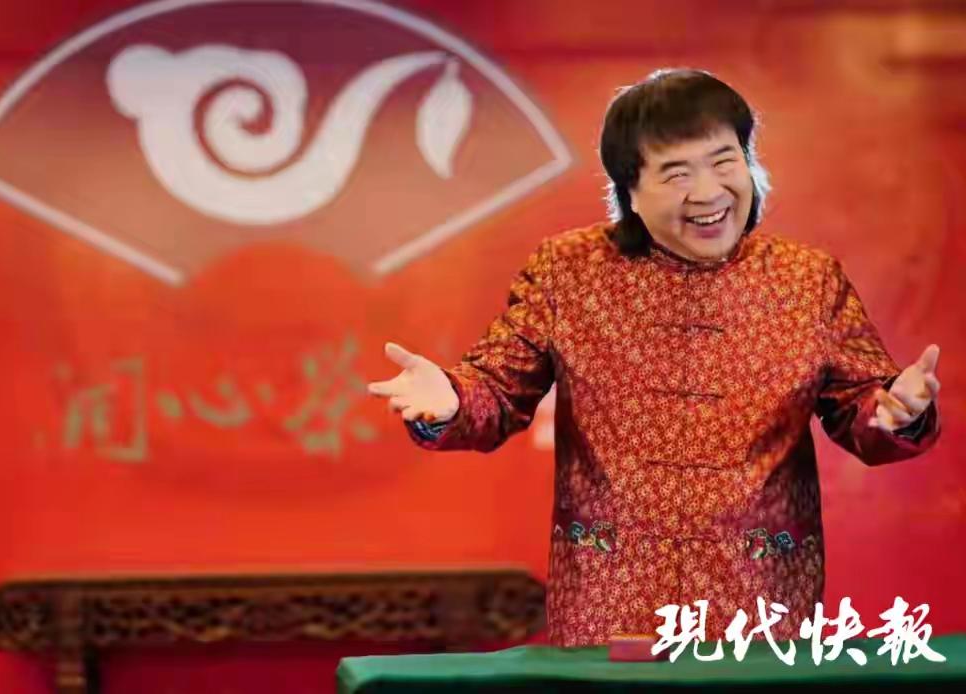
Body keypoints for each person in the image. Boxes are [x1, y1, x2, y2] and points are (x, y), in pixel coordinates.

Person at [366, 68, 942, 646]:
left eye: (724, 162)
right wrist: (449, 402)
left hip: (761, 603)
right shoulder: (569, 272)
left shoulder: (806, 280)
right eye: (677, 173)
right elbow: (495, 391)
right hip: (609, 604)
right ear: (631, 193)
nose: (708, 192)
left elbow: (863, 409)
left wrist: (898, 414)